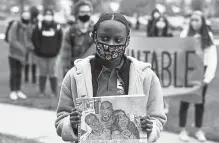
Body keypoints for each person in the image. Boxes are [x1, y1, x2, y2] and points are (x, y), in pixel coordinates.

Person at [55, 13, 167, 143]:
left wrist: (150, 128)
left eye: (118, 40)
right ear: (94, 36)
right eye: (104, 38)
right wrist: (71, 123)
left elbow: (157, 119)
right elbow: (61, 119)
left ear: (127, 41)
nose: (110, 45)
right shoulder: (74, 75)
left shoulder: (147, 77)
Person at [178, 11, 217, 142]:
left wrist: (207, 77)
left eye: (197, 20)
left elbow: (212, 58)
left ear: (202, 21)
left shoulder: (208, 36)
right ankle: (182, 130)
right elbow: (180, 53)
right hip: (188, 71)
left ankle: (198, 130)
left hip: (202, 71)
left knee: (200, 103)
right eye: (192, 20)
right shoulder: (185, 34)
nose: (194, 23)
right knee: (185, 102)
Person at [32, 8, 62, 97]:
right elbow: (34, 38)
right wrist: (38, 50)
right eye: (46, 14)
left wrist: (56, 50)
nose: (48, 16)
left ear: (52, 16)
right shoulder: (39, 25)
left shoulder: (57, 26)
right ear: (43, 15)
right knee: (42, 73)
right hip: (41, 55)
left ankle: (54, 92)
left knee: (53, 74)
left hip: (53, 55)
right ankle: (41, 92)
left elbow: (60, 40)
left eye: (50, 15)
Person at [61, 0, 94, 77]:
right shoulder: (70, 33)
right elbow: (66, 59)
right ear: (77, 14)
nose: (86, 14)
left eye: (88, 12)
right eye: (82, 12)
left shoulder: (96, 32)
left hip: (92, 77)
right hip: (76, 75)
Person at [7, 9, 33, 100]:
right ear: (21, 16)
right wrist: (22, 48)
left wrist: (31, 47)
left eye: (28, 16)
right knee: (14, 73)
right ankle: (12, 91)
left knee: (19, 73)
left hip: (23, 55)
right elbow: (12, 39)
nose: (26, 17)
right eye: (24, 15)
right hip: (14, 54)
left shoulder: (29, 26)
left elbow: (29, 39)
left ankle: (18, 90)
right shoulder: (16, 25)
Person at [24, 6, 39, 84]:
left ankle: (28, 78)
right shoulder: (36, 22)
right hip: (32, 44)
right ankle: (32, 78)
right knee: (33, 62)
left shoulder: (32, 22)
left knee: (28, 61)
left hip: (28, 44)